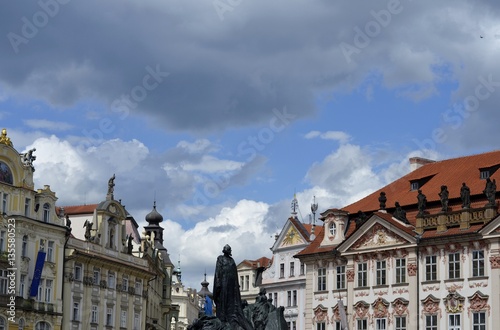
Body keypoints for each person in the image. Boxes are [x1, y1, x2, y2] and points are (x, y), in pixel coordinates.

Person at [213, 245, 253, 330]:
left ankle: (231, 320)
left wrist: (236, 285)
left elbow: (235, 274)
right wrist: (218, 282)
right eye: (227, 250)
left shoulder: (232, 261)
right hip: (223, 284)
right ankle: (223, 320)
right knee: (223, 302)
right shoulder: (220, 259)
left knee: (232, 304)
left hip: (231, 286)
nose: (228, 251)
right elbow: (217, 272)